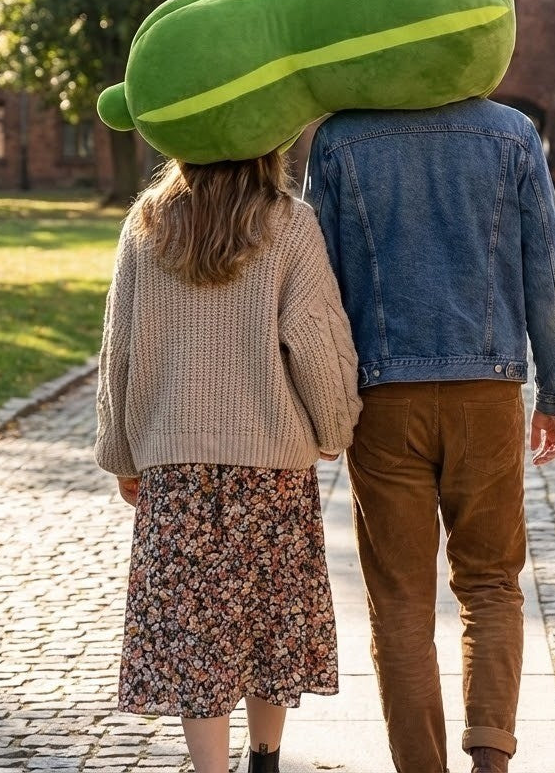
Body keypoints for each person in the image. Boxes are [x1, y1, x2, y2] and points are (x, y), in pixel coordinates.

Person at [303, 97, 555, 773]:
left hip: (383, 400)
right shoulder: (512, 133)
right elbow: (547, 270)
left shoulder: (339, 141)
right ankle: (492, 759)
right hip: (487, 394)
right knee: (490, 583)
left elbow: (316, 289)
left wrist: (325, 404)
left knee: (398, 601)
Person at [94, 151, 362, 773]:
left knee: (197, 634)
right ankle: (264, 760)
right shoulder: (289, 223)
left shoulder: (148, 223)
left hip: (175, 470)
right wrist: (335, 426)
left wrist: (121, 452)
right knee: (273, 620)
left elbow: (120, 343)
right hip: (272, 470)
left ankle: (211, 769)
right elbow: (316, 338)